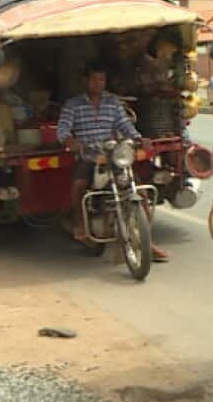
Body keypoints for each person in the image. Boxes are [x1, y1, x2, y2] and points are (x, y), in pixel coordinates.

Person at [56, 62, 167, 262]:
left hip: (113, 153)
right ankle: (80, 225)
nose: (98, 83)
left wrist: (139, 138)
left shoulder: (112, 103)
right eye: (94, 79)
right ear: (85, 81)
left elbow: (124, 125)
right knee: (78, 187)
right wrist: (70, 141)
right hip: (89, 155)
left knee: (139, 193)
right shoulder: (74, 104)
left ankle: (147, 242)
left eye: (102, 79)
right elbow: (63, 128)